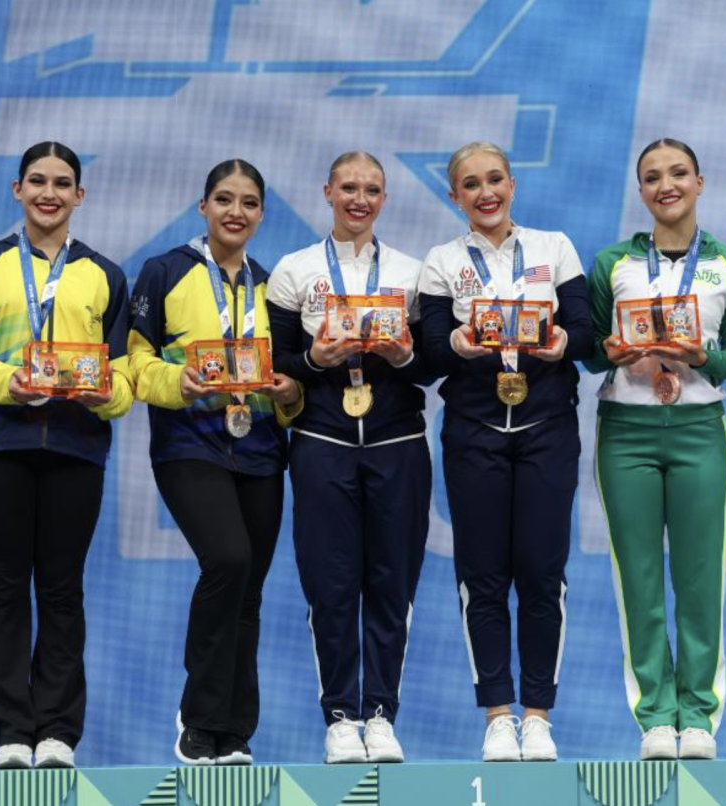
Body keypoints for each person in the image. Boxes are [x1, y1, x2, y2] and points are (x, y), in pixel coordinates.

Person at [0, 141, 134, 769]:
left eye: (63, 183)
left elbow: (126, 376)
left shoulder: (105, 274)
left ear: (81, 196)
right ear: (17, 190)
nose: (49, 193)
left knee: (62, 591)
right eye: (38, 181)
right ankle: (10, 735)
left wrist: (106, 393)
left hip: (77, 450)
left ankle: (56, 733)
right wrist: (7, 385)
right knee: (2, 588)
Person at [417, 142, 592, 762]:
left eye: (495, 180)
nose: (485, 192)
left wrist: (562, 340)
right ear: (455, 196)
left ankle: (538, 714)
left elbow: (586, 330)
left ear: (512, 185)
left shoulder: (554, 247)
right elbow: (427, 350)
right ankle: (497, 713)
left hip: (547, 426)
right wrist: (459, 346)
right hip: (475, 430)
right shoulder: (442, 261)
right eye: (471, 184)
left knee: (543, 575)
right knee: (482, 576)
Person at [127, 159, 303, 766]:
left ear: (260, 214)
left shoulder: (273, 283)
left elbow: (293, 377)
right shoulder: (164, 271)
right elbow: (135, 366)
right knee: (227, 559)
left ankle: (234, 730)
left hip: (259, 448)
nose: (236, 211)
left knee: (249, 589)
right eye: (224, 199)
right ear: (202, 206)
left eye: (249, 202)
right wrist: (183, 382)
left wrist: (288, 395)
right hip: (189, 443)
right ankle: (199, 716)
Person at [584, 139, 726, 761]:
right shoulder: (613, 263)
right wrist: (607, 350)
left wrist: (703, 355)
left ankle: (699, 715)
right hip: (625, 429)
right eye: (652, 177)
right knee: (639, 575)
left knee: (700, 573)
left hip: (698, 426)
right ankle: (656, 714)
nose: (666, 185)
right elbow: (586, 349)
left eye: (678, 173)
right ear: (641, 191)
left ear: (700, 182)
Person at [266, 151, 436, 764]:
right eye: (348, 188)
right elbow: (278, 361)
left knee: (393, 583)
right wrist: (316, 360)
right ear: (327, 192)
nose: (359, 199)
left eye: (371, 190)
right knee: (331, 585)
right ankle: (340, 715)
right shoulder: (294, 270)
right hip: (321, 440)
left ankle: (382, 714)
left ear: (384, 199)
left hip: (397, 442)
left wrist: (401, 357)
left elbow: (434, 366)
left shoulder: (412, 274)